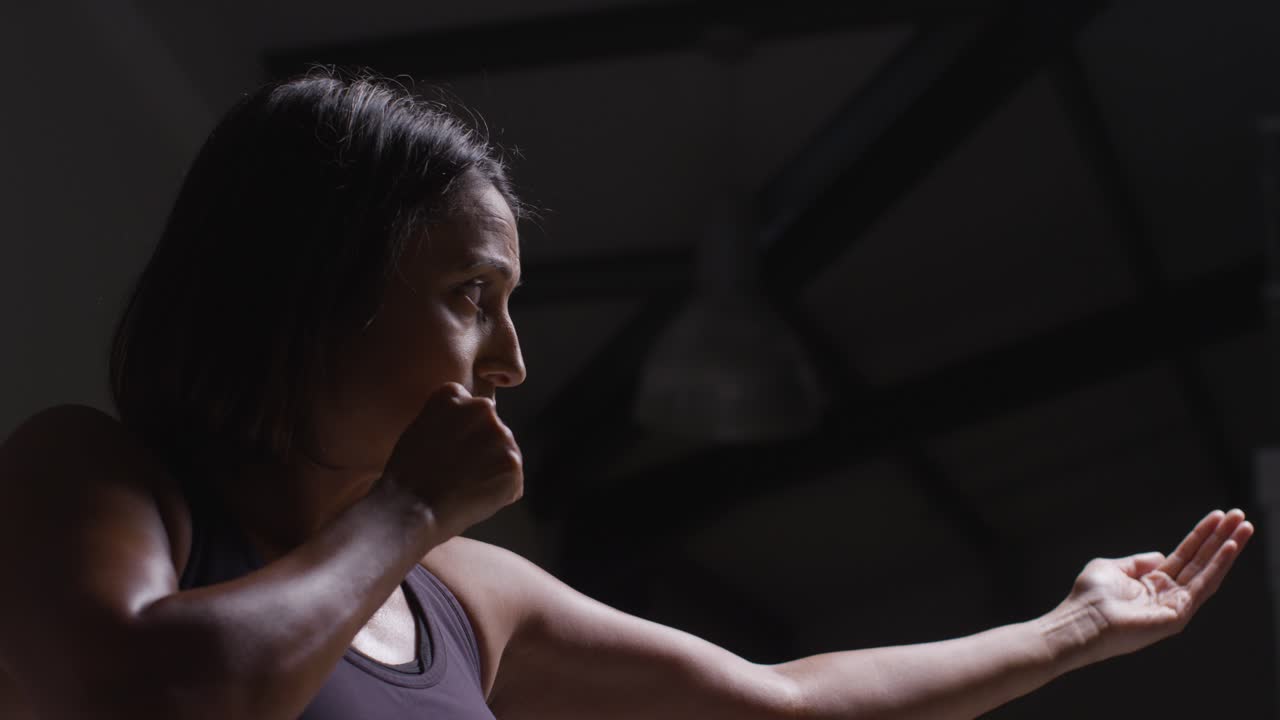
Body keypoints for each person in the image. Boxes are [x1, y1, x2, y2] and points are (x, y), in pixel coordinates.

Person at [0, 66, 1255, 720]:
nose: (510, 360)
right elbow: (148, 700)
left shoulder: (460, 599)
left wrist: (1068, 631)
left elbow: (782, 702)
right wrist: (401, 513)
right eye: (469, 298)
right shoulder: (98, 479)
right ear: (315, 288)